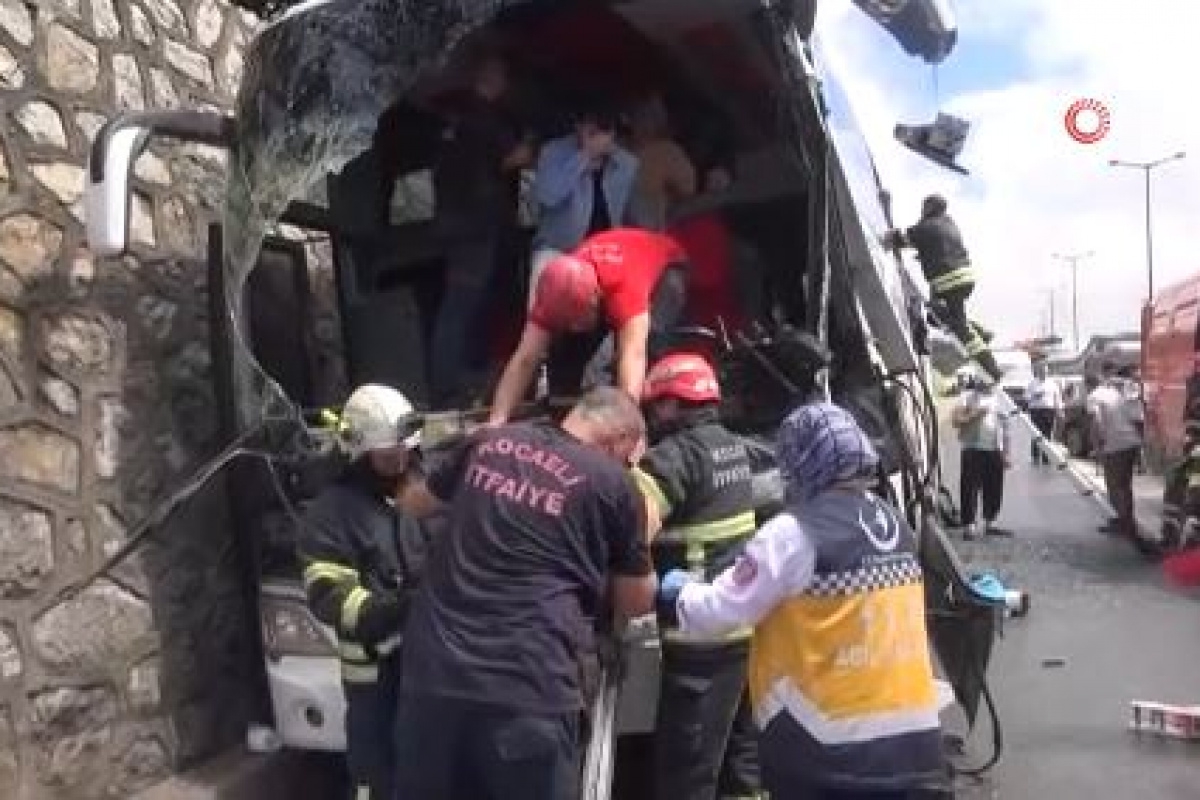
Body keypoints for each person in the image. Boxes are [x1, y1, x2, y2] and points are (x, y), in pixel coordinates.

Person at [656, 402, 946, 800]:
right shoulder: (894, 522)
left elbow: (724, 609)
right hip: (916, 748)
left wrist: (680, 593)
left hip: (830, 749)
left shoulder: (794, 533)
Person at [393, 387, 658, 800]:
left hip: (435, 679)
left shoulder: (489, 442)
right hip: (530, 686)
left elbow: (415, 503)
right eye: (629, 458)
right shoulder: (614, 484)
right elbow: (635, 600)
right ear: (619, 440)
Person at [631, 353, 762, 800]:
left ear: (670, 403)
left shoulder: (674, 458)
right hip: (744, 627)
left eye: (655, 406)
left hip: (698, 642)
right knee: (741, 764)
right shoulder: (734, 448)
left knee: (685, 774)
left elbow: (632, 531)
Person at [296, 384, 431, 800]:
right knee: (376, 776)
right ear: (358, 451)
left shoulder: (425, 490)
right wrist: (396, 610)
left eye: (404, 450)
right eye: (387, 455)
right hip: (375, 678)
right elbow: (329, 597)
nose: (399, 461)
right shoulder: (332, 513)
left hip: (430, 668)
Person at [488, 227, 690, 424]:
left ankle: (648, 415)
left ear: (596, 298)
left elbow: (633, 355)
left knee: (633, 349)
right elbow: (524, 359)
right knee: (569, 349)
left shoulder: (626, 289)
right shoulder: (551, 293)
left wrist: (628, 426)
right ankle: (568, 409)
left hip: (665, 269)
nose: (574, 327)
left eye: (579, 320)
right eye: (569, 322)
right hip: (605, 278)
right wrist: (497, 420)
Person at [429, 54, 534, 407]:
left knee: (463, 303)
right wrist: (531, 142)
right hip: (477, 225)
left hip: (453, 222)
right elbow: (514, 158)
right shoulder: (484, 117)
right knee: (463, 304)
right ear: (494, 78)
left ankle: (458, 380)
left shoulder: (454, 117)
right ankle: (450, 387)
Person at [530, 100, 641, 299]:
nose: (597, 137)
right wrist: (583, 158)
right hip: (558, 251)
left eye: (604, 130)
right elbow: (547, 196)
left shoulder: (626, 164)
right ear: (578, 127)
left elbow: (634, 214)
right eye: (591, 130)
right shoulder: (554, 152)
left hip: (605, 256)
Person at [883, 194, 1001, 381]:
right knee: (941, 317)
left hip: (948, 281)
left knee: (949, 322)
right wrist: (925, 254)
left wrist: (888, 234)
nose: (921, 210)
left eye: (924, 206)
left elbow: (898, 239)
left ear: (929, 207)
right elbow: (940, 245)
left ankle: (992, 368)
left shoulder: (925, 227)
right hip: (965, 277)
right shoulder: (949, 223)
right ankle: (980, 331)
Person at [952, 368, 1011, 538]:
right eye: (985, 380)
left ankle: (989, 523)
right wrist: (975, 414)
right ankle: (969, 525)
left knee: (994, 488)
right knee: (969, 488)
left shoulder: (1001, 399)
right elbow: (956, 421)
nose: (989, 383)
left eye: (993, 380)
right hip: (972, 449)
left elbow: (1007, 429)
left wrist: (1007, 453)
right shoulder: (967, 397)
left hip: (994, 450)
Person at [1088, 362, 1145, 540]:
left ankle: (1125, 524)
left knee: (1114, 487)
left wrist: (1097, 447)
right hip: (1131, 443)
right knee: (1125, 485)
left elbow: (1096, 422)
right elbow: (1138, 418)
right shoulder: (1122, 392)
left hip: (1114, 445)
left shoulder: (1095, 396)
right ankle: (1126, 519)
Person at [628, 93, 697, 231]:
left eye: (649, 117)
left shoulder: (668, 151)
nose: (643, 122)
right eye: (639, 116)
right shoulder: (615, 150)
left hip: (652, 227)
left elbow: (688, 189)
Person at [1025, 361, 1062, 466]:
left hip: (1049, 410)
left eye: (1045, 371)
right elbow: (1026, 397)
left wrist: (1059, 410)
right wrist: (1034, 396)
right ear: (1038, 372)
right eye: (1042, 371)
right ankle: (1035, 456)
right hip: (1036, 410)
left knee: (1047, 434)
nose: (1044, 373)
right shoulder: (1032, 383)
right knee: (1036, 433)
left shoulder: (1052, 384)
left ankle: (1046, 456)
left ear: (1047, 372)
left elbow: (1057, 397)